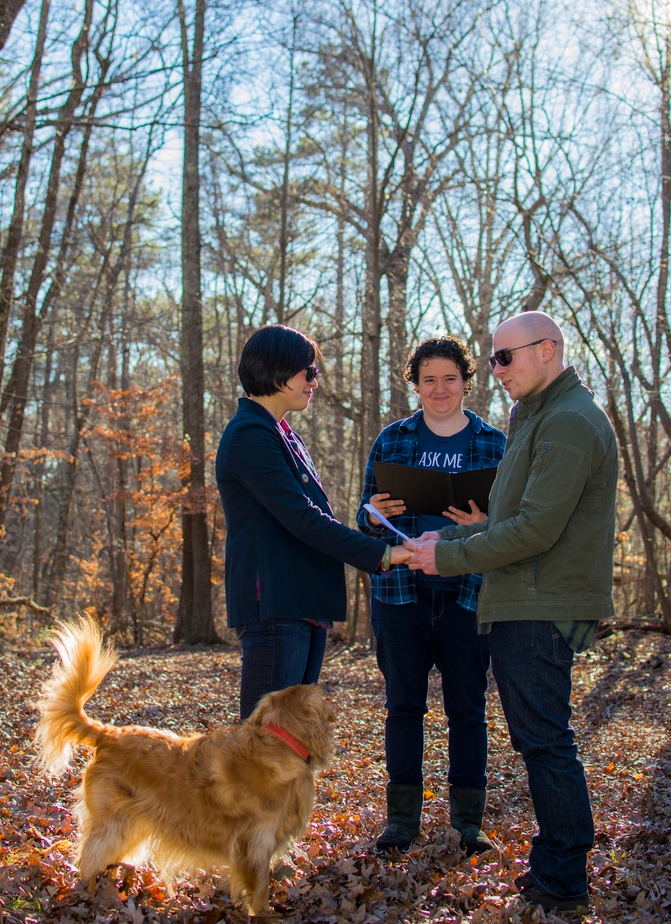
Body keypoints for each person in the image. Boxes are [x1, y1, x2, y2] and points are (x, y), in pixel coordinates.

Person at [405, 311, 617, 914]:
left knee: (546, 743)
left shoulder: (571, 422)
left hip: (541, 604)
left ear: (546, 350)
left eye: (505, 357)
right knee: (538, 740)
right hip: (522, 596)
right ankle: (555, 865)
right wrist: (475, 532)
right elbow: (521, 520)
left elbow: (537, 531)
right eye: (493, 358)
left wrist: (447, 556)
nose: (495, 370)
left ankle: (565, 883)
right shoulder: (538, 416)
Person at [356, 335, 506, 854]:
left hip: (468, 595)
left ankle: (468, 823)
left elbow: (514, 527)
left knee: (467, 710)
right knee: (403, 707)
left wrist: (487, 523)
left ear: (466, 381)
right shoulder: (392, 439)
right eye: (428, 380)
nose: (439, 389)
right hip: (401, 597)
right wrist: (375, 511)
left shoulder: (494, 444)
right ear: (414, 385)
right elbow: (363, 521)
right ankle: (401, 822)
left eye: (449, 378)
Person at [216, 323, 410, 719]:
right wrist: (385, 554)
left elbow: (310, 516)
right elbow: (302, 519)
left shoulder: (283, 434)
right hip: (274, 604)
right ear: (278, 372)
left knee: (291, 741)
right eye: (309, 372)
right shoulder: (249, 435)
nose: (314, 383)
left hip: (302, 603)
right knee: (264, 746)